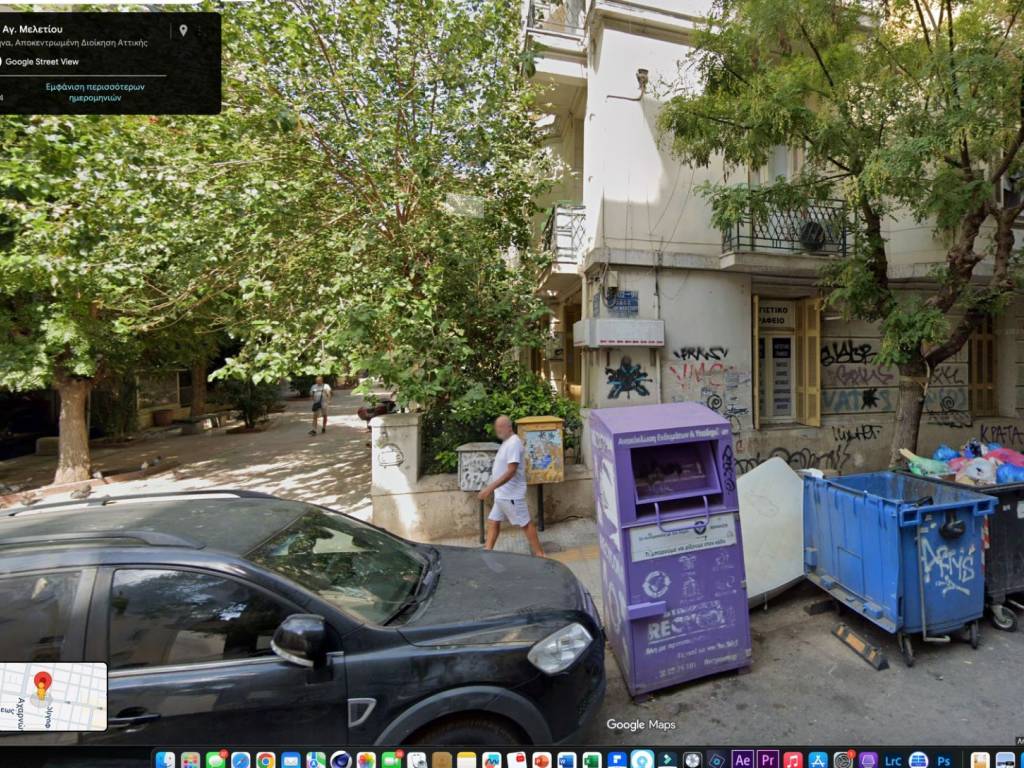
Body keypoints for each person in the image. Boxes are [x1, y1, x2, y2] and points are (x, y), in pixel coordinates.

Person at [477, 415, 544, 557]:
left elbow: (511, 471)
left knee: (525, 524)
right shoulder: (507, 442)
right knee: (493, 521)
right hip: (503, 495)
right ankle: (488, 551)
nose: (498, 430)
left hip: (511, 495)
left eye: (501, 427)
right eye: (497, 427)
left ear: (509, 427)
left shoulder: (513, 443)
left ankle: (540, 554)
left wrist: (490, 488)